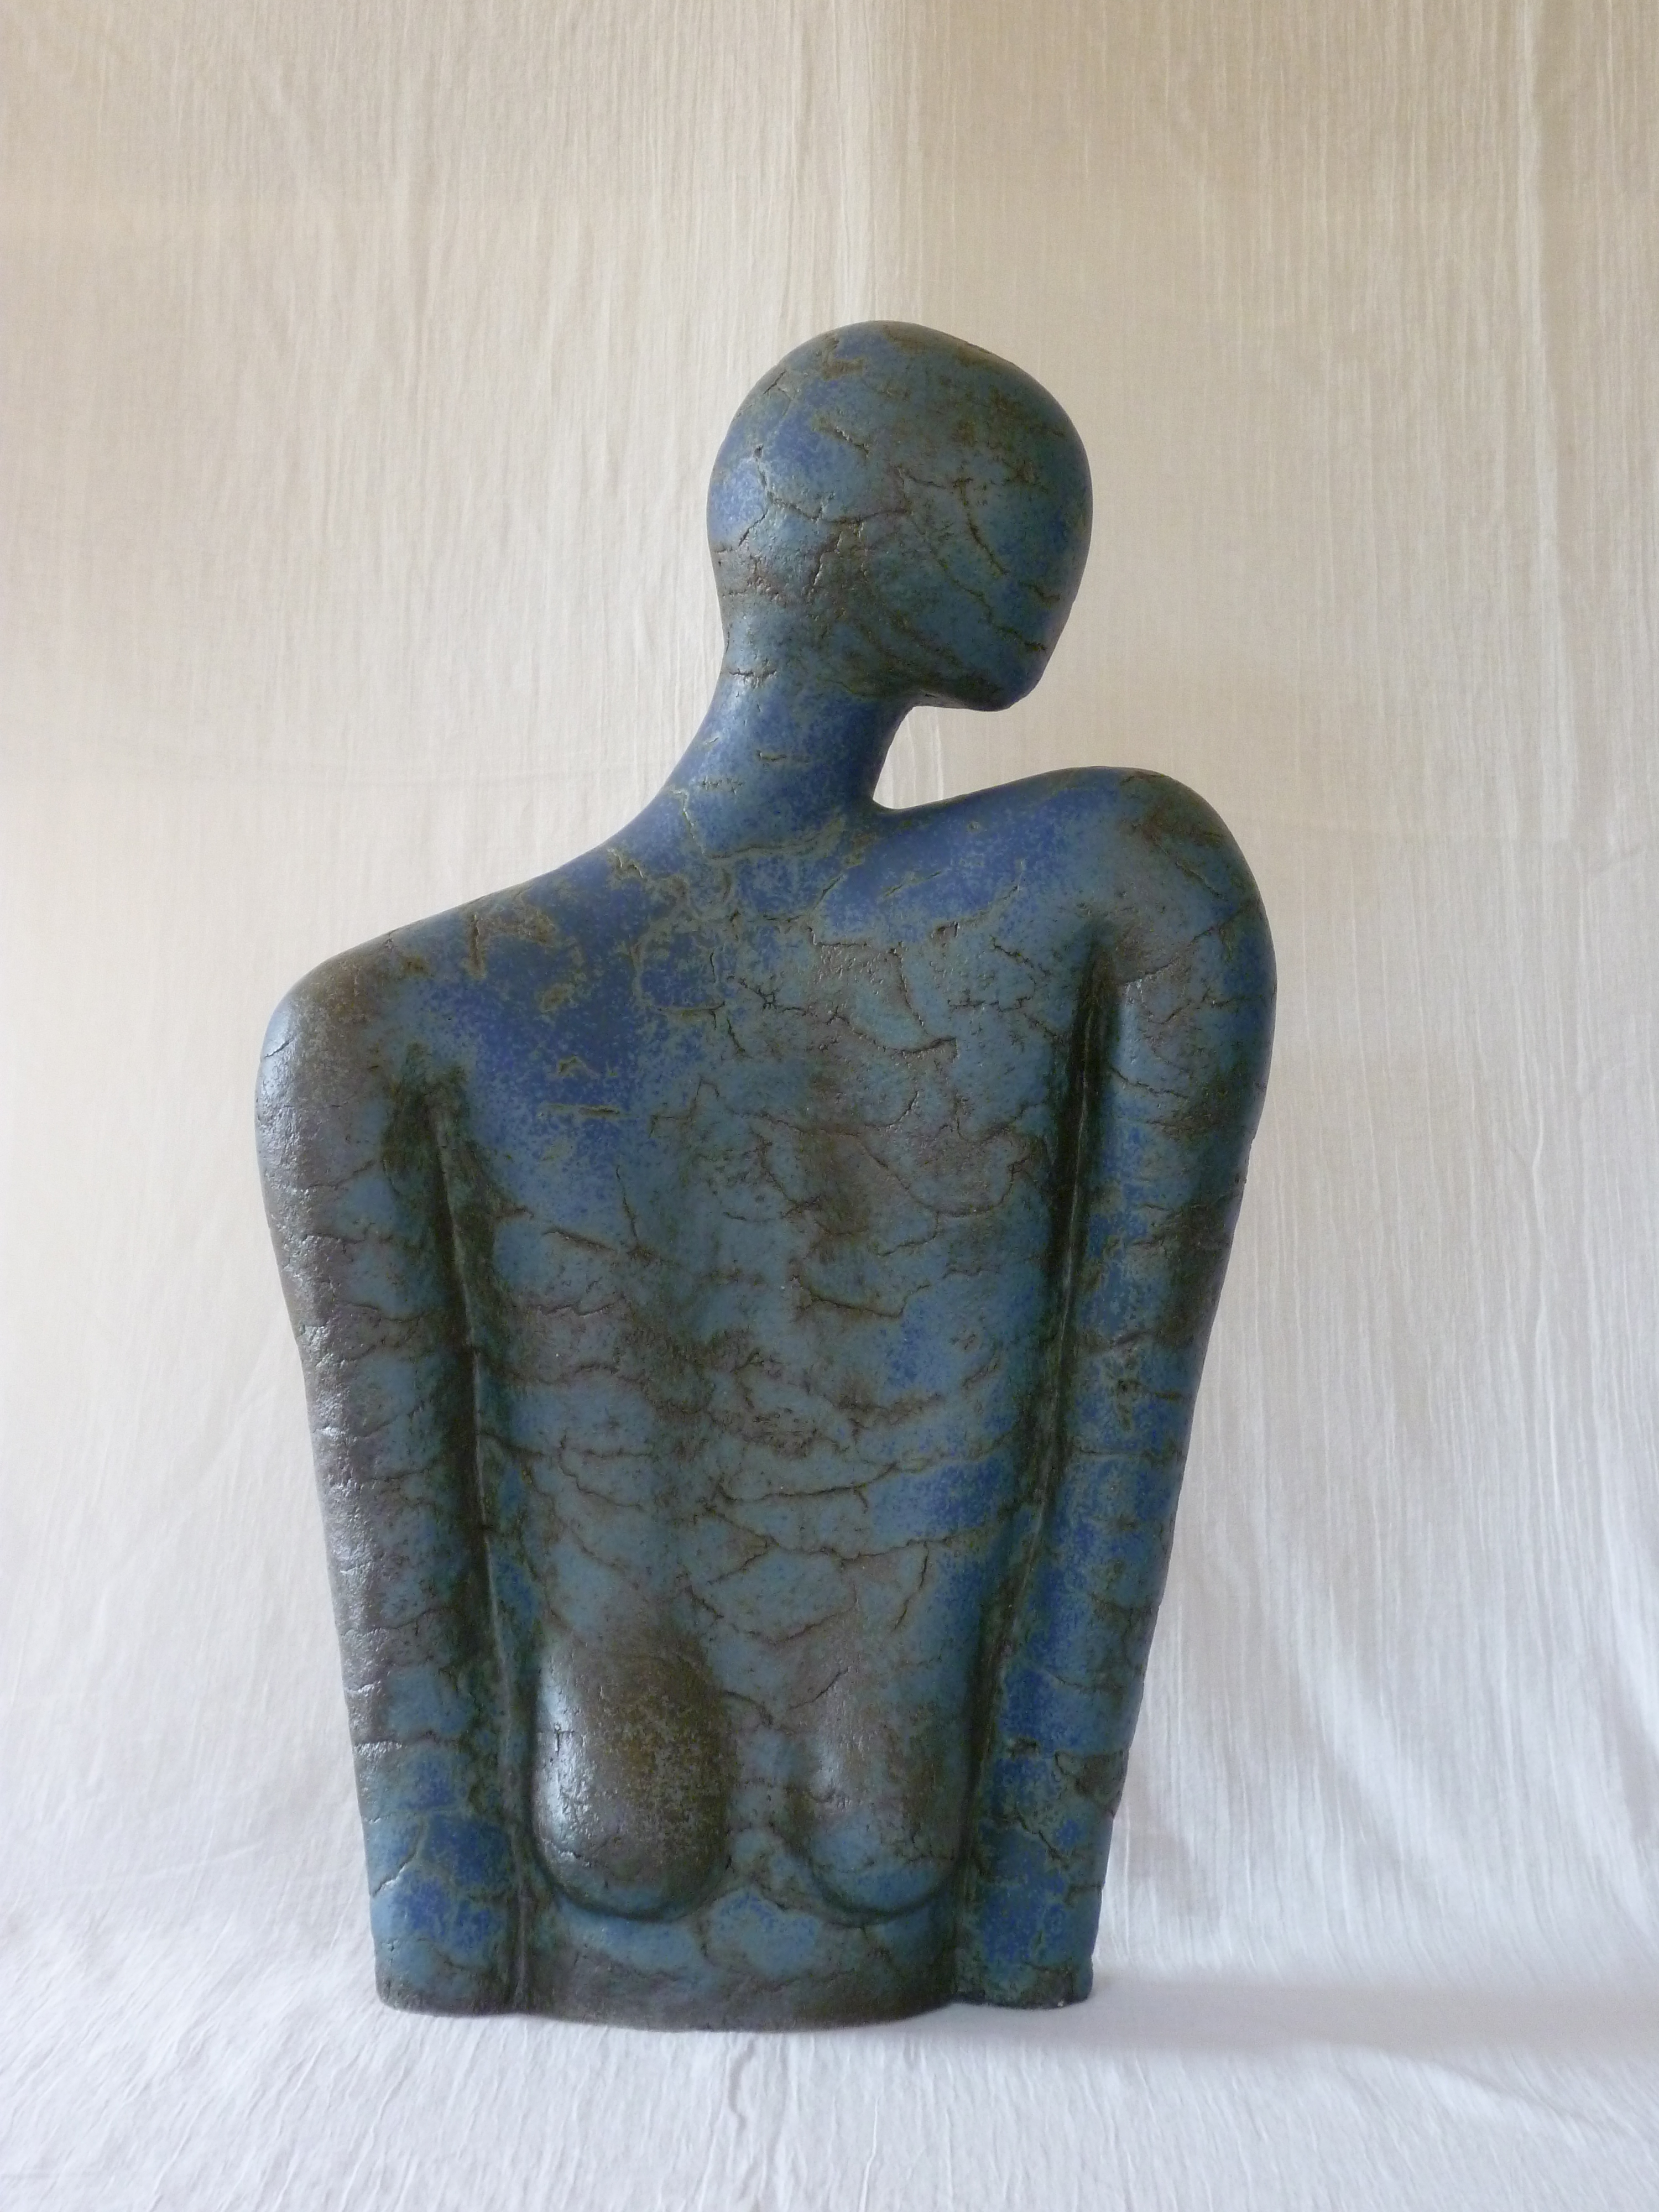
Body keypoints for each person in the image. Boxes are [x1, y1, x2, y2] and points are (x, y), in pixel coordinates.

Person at [257, 322, 1275, 2026]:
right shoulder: (1130, 897)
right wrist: (1019, 1946)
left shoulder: (382, 1033)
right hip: (894, 1875)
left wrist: (456, 1961)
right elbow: (1100, 1499)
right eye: (1033, 503)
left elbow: (421, 1727)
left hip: (613, 1905)